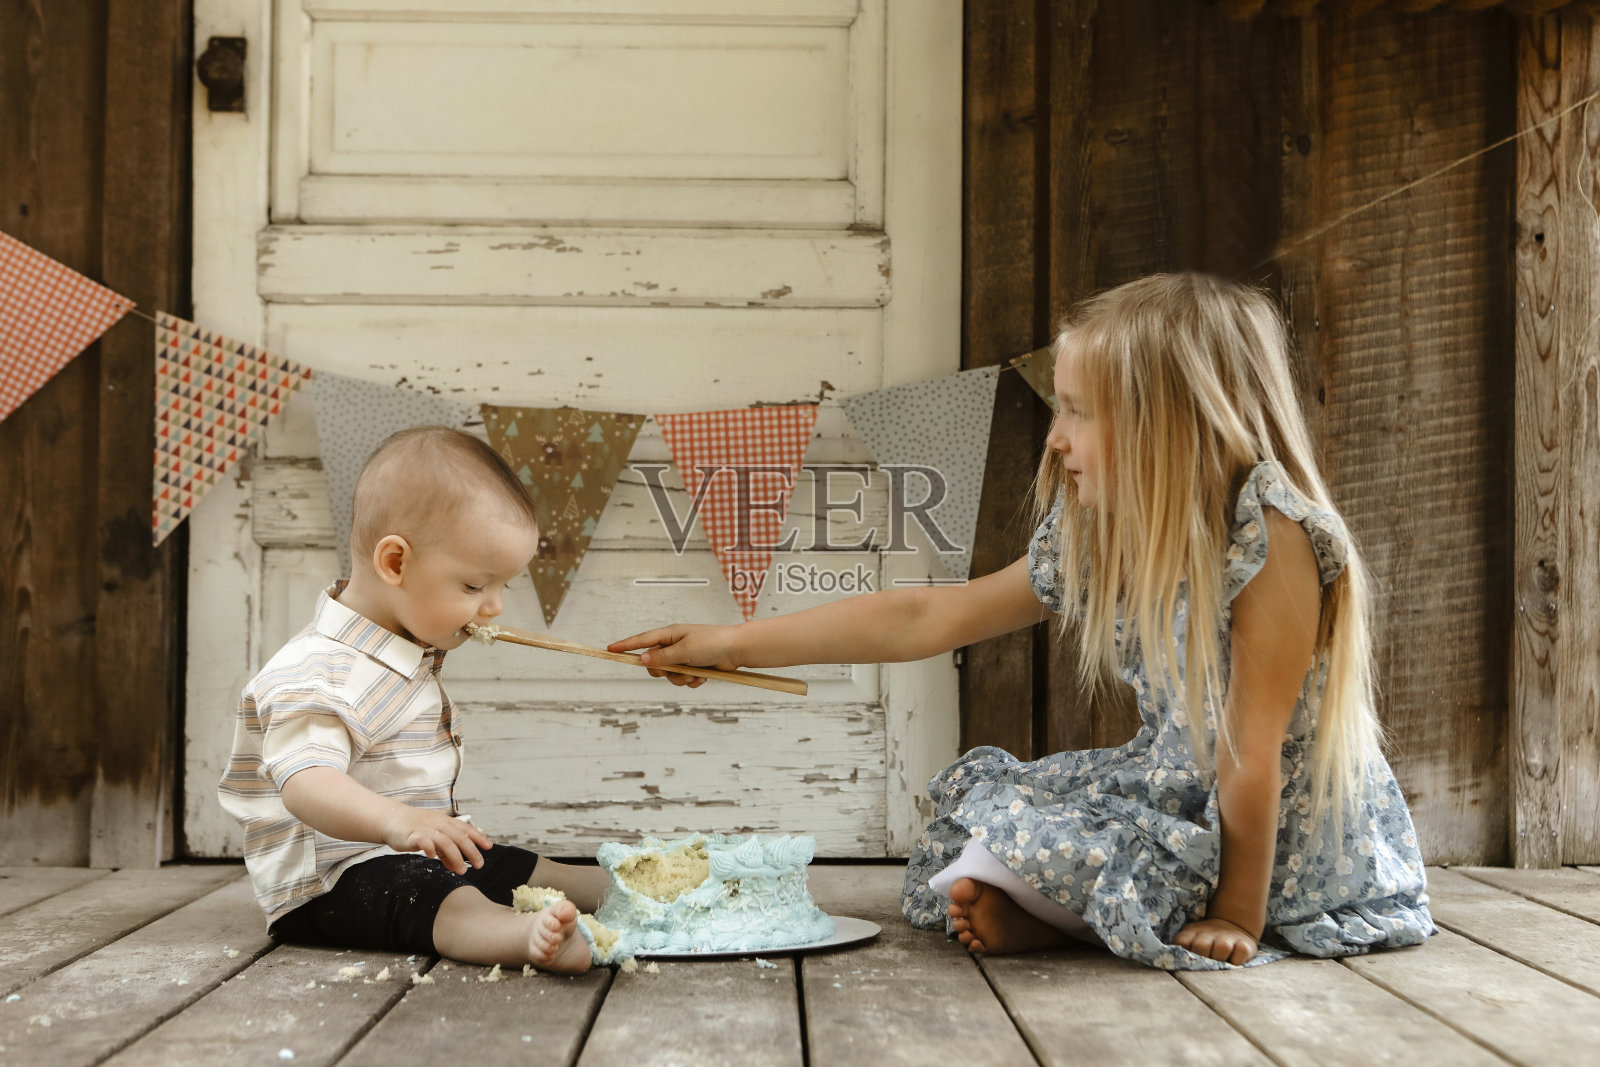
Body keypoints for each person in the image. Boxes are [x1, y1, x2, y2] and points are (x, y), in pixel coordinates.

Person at [609, 273, 1435, 969]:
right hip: (1180, 793)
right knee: (987, 825)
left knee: (1051, 854)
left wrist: (1238, 921)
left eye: (1078, 412)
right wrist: (731, 641)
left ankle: (1076, 918)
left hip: (1279, 838)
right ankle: (1066, 914)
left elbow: (1250, 759)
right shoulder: (1105, 527)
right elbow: (928, 615)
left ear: (1168, 421)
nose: (1054, 439)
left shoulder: (1270, 534)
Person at [219, 426, 608, 972]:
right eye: (473, 587)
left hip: (410, 853)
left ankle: (617, 887)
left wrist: (416, 831)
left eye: (501, 587)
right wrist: (398, 823)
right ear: (396, 564)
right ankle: (520, 939)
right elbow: (306, 784)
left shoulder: (399, 650)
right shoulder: (318, 671)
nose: (492, 607)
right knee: (443, 898)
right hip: (332, 880)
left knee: (514, 866)